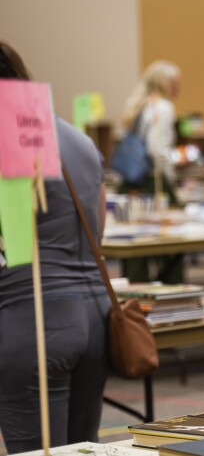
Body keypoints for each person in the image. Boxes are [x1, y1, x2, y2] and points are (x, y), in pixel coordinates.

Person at [0, 41, 110, 453]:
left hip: (33, 317)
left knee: (35, 451)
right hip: (94, 318)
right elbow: (98, 230)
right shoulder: (74, 137)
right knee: (82, 449)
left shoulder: (7, 138)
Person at [119, 60, 184, 283]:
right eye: (175, 83)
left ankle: (137, 293)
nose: (179, 88)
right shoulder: (163, 108)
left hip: (132, 181)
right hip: (153, 180)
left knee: (138, 240)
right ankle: (173, 290)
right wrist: (171, 180)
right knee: (173, 241)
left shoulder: (140, 105)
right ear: (164, 83)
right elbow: (158, 151)